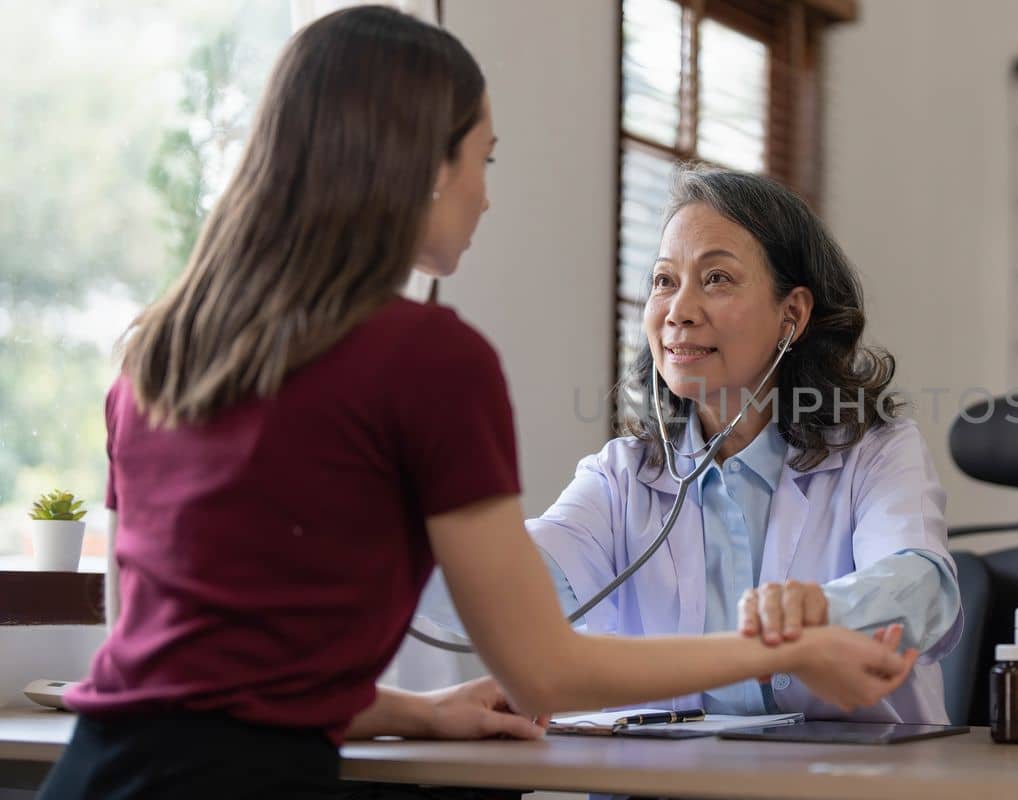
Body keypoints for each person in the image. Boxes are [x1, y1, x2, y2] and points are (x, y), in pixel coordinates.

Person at [37, 8, 914, 800]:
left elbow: (174, 668)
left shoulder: (157, 350)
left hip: (97, 774)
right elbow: (541, 668)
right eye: (481, 159)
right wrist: (795, 649)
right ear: (420, 163)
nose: (485, 194)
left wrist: (416, 714)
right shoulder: (430, 359)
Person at [422, 166, 962, 724]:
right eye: (663, 281)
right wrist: (385, 540)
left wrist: (824, 611)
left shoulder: (873, 453)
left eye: (717, 279)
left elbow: (923, 587)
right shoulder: (623, 476)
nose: (678, 310)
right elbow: (514, 590)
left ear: (792, 315)